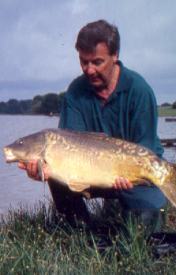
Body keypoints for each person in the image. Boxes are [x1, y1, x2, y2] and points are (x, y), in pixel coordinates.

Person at [19, 19, 166, 234]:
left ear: (115, 56)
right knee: (58, 175)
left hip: (134, 174)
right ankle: (80, 232)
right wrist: (41, 169)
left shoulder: (140, 90)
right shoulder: (75, 92)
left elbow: (147, 148)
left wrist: (131, 176)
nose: (89, 70)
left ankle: (135, 207)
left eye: (97, 62)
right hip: (90, 172)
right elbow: (65, 148)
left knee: (144, 229)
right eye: (83, 62)